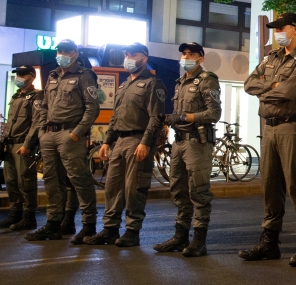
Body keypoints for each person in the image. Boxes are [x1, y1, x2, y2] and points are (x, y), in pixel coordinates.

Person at [239, 12, 296, 266]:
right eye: (275, 30)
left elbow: (289, 91)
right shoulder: (272, 58)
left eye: (281, 28)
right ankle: (269, 243)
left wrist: (268, 87)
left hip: (293, 128)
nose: (277, 33)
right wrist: (273, 86)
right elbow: (249, 84)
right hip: (270, 129)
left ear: (295, 29)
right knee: (270, 186)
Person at [86, 43, 166, 247]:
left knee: (134, 188)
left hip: (138, 140)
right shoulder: (124, 85)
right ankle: (110, 229)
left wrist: (145, 143)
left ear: (144, 58)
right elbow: (115, 117)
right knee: (112, 187)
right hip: (119, 141)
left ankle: (132, 231)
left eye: (133, 54)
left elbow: (156, 117)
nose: (128, 58)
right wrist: (107, 142)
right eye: (127, 54)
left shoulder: (152, 84)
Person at [25, 39, 100, 243]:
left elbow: (92, 109)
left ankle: (89, 225)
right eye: (59, 51)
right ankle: (53, 224)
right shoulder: (53, 75)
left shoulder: (84, 75)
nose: (61, 54)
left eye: (66, 51)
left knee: (79, 180)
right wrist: (42, 132)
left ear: (75, 53)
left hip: (70, 134)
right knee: (51, 181)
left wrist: (76, 133)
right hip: (49, 134)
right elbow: (44, 107)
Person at [153, 42, 220, 257]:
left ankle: (199, 241)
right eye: (183, 54)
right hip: (179, 142)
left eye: (191, 54)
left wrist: (185, 117)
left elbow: (214, 113)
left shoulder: (207, 80)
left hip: (197, 142)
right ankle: (180, 236)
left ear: (201, 58)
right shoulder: (180, 82)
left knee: (198, 191)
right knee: (178, 190)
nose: (186, 57)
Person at [0, 66, 42, 231]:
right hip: (10, 144)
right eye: (18, 74)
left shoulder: (37, 96)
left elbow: (36, 123)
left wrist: (27, 145)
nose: (19, 77)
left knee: (25, 181)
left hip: (23, 144)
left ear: (32, 77)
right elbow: (10, 123)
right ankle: (15, 214)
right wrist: (3, 143)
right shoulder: (16, 97)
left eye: (22, 75)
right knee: (11, 181)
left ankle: (29, 217)